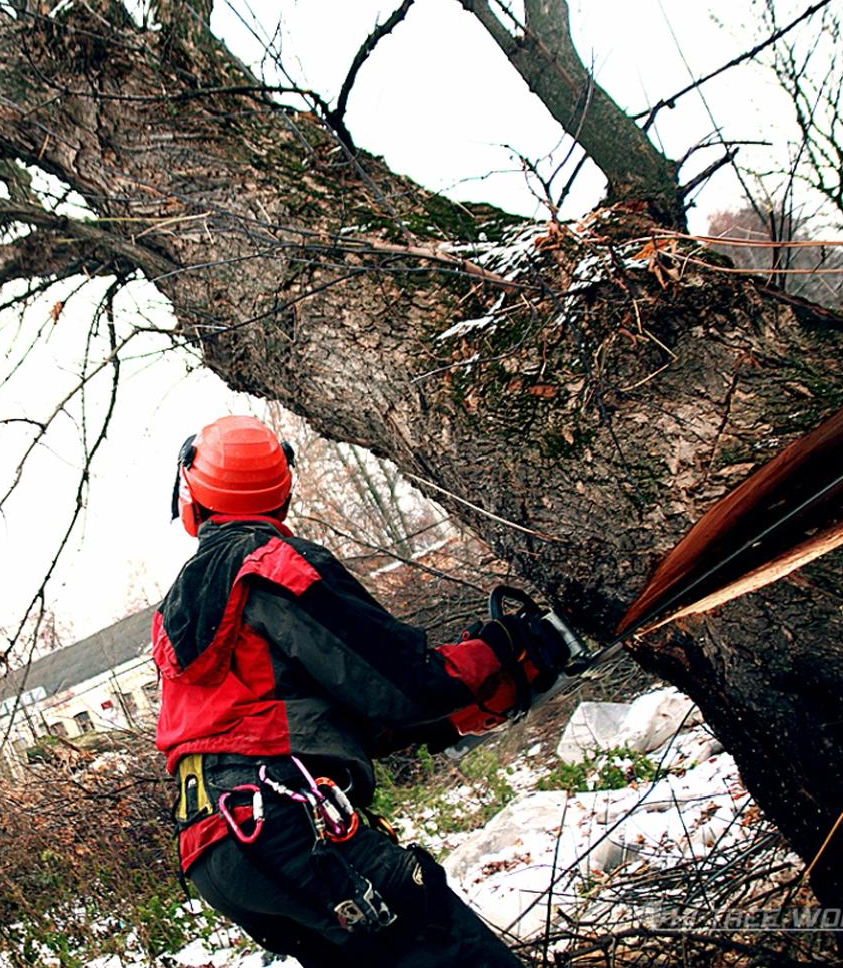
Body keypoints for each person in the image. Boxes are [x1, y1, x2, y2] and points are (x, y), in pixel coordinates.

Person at [152, 415, 567, 968]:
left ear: (191, 495)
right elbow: (402, 683)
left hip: (216, 848)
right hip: (284, 823)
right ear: (282, 493)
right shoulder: (277, 567)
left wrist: (450, 722)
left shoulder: (175, 610)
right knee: (445, 943)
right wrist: (501, 648)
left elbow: (292, 721)